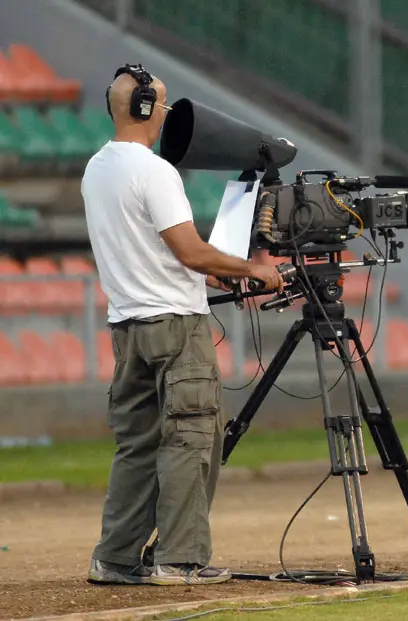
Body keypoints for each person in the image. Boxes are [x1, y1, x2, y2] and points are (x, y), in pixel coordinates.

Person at [81, 64, 284, 586]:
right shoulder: (154, 171)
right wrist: (253, 269)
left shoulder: (96, 168)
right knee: (191, 438)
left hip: (127, 327)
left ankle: (116, 557)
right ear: (148, 109)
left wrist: (225, 270)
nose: (167, 116)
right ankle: (180, 559)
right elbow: (189, 251)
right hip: (175, 326)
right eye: (165, 107)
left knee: (138, 445)